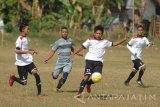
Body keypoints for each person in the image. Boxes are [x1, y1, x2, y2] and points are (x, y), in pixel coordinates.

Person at [73, 25, 129, 98]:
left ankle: (89, 83)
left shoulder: (105, 41)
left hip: (99, 62)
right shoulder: (89, 40)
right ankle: (79, 93)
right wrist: (74, 53)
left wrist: (124, 39)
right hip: (89, 60)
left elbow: (114, 44)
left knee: (97, 78)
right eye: (97, 33)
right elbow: (82, 47)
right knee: (86, 76)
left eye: (100, 33)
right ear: (94, 33)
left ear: (102, 34)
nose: (98, 35)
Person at [9, 23, 43, 97]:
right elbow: (17, 51)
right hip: (21, 63)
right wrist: (28, 52)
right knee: (24, 82)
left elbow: (25, 49)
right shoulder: (19, 39)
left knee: (36, 74)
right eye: (27, 29)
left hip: (28, 61)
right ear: (23, 29)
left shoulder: (25, 38)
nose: (29, 30)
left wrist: (32, 50)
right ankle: (13, 78)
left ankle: (39, 93)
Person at [44, 26, 82, 92]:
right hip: (60, 62)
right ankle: (54, 74)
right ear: (61, 33)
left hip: (68, 61)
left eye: (66, 32)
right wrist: (47, 58)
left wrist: (77, 53)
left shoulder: (70, 40)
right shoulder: (57, 42)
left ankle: (57, 88)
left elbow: (71, 48)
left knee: (65, 76)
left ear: (67, 33)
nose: (64, 33)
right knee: (55, 76)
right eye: (63, 32)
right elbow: (53, 51)